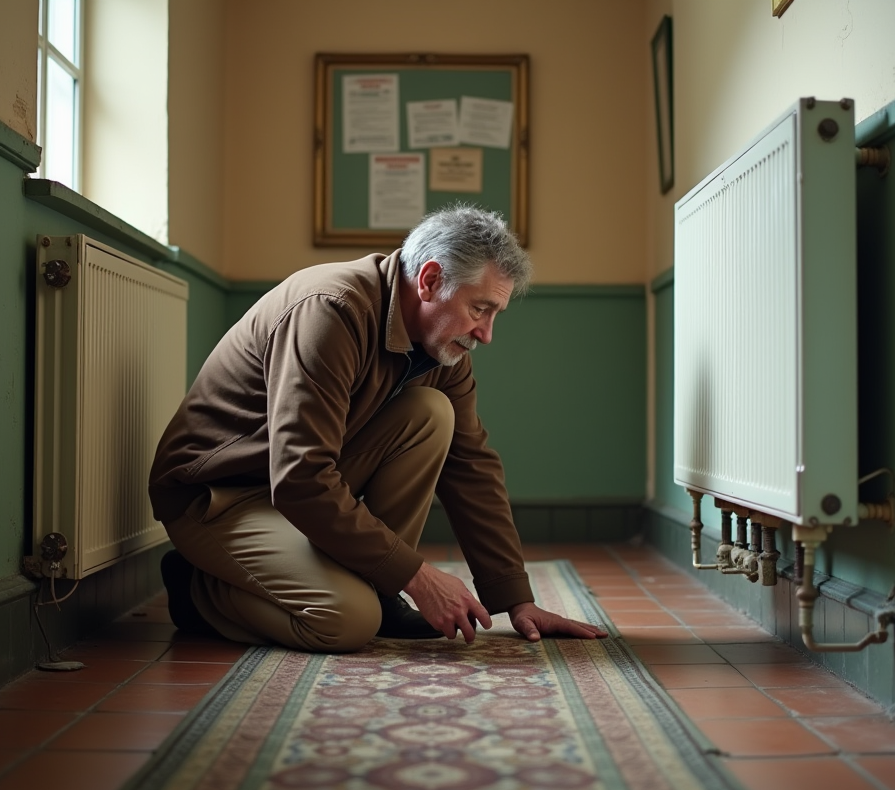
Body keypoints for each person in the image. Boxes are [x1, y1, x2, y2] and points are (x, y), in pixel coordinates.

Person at [148, 204, 607, 652]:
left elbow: (471, 465)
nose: (486, 334)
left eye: (495, 315)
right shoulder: (330, 311)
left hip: (290, 485)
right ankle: (197, 590)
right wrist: (416, 576)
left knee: (432, 412)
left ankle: (376, 589)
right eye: (479, 309)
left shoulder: (442, 346)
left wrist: (516, 599)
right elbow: (301, 477)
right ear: (430, 280)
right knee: (347, 621)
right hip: (219, 496)